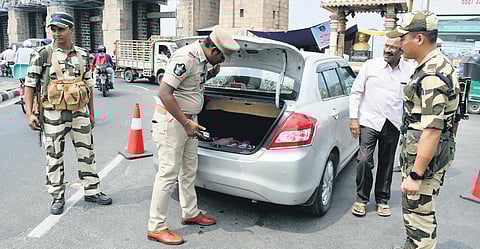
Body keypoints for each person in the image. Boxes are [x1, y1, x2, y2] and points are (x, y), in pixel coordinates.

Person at [147, 25, 240, 245]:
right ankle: (156, 226)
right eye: (223, 58)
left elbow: (190, 87)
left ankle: (190, 213)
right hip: (173, 122)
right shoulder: (186, 57)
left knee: (189, 169)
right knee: (168, 174)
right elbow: (164, 93)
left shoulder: (202, 61)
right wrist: (186, 122)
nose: (223, 62)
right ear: (214, 50)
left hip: (189, 122)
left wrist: (209, 75)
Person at [23, 12, 112, 215]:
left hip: (79, 113)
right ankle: (57, 196)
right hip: (53, 115)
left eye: (61, 29)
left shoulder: (82, 55)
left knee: (87, 153)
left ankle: (92, 190)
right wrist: (30, 114)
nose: (56, 33)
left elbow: (88, 86)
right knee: (54, 156)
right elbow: (29, 86)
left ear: (71, 29)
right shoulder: (43, 54)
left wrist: (91, 113)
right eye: (53, 29)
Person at [387, 10, 459, 249]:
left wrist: (416, 175)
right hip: (426, 158)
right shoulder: (433, 66)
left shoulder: (432, 74)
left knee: (420, 225)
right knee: (416, 217)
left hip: (425, 164)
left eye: (403, 37)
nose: (399, 43)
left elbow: (432, 130)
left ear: (419, 39)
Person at [349, 37, 414, 217]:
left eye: (393, 48)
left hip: (392, 123)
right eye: (386, 46)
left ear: (401, 51)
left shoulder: (409, 71)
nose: (388, 50)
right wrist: (354, 118)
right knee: (364, 160)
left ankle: (382, 200)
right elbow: (356, 92)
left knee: (386, 163)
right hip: (369, 120)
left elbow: (411, 99)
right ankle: (361, 199)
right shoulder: (371, 66)